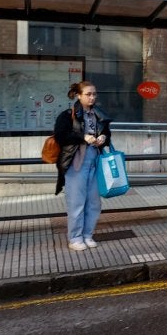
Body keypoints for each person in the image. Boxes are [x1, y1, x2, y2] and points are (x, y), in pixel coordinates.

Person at [54, 80, 111, 251]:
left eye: (94, 94)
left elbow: (107, 132)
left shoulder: (98, 114)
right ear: (79, 95)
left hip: (95, 162)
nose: (92, 97)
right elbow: (60, 136)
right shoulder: (67, 115)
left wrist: (103, 138)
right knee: (76, 202)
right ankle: (75, 237)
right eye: (88, 94)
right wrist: (82, 138)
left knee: (94, 202)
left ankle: (88, 235)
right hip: (75, 163)